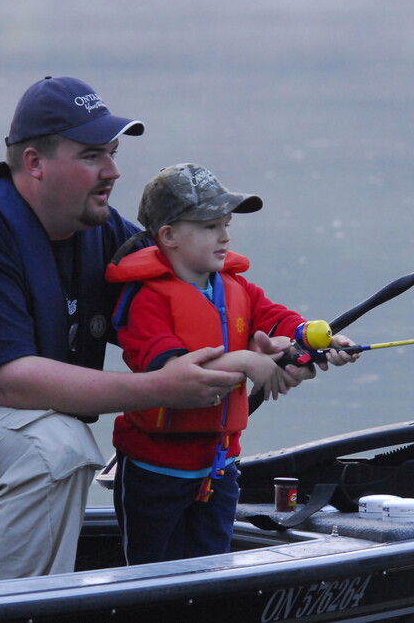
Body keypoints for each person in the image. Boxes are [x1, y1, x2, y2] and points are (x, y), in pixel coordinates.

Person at [0, 77, 298, 589]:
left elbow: (179, 316)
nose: (113, 171)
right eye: (91, 156)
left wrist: (263, 349)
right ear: (35, 163)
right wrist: (159, 388)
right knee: (54, 448)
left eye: (111, 153)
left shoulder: (102, 231)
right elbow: (11, 384)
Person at [105, 163, 356, 565]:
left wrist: (317, 339)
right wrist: (248, 363)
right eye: (209, 226)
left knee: (214, 572)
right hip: (155, 472)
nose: (224, 236)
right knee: (153, 576)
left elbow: (276, 318)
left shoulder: (236, 286)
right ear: (168, 236)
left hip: (220, 468)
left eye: (226, 224)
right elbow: (172, 371)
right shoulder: (145, 300)